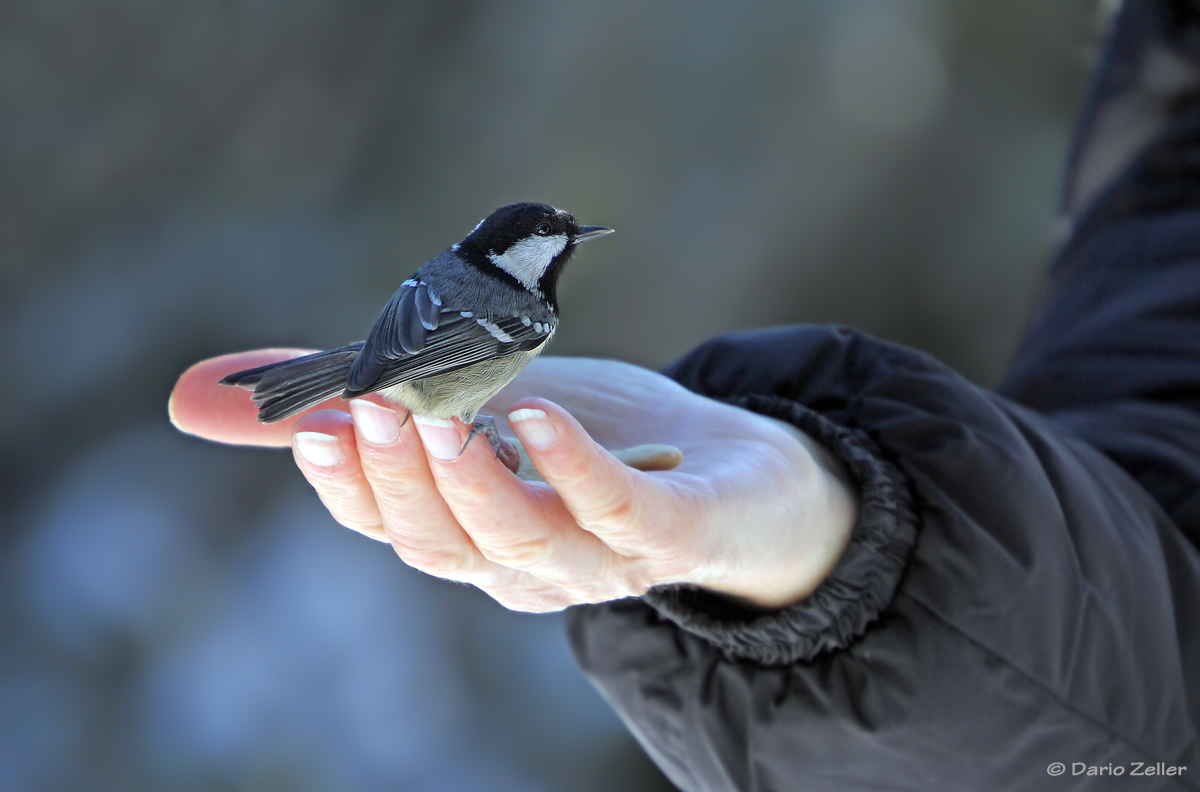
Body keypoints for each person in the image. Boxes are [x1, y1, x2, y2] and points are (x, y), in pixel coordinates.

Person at [171, 1, 1200, 788]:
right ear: (521, 258)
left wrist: (835, 547)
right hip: (405, 362)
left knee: (424, 412)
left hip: (395, 347)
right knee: (426, 414)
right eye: (557, 243)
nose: (565, 254)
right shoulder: (521, 316)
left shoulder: (482, 294)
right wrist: (858, 545)